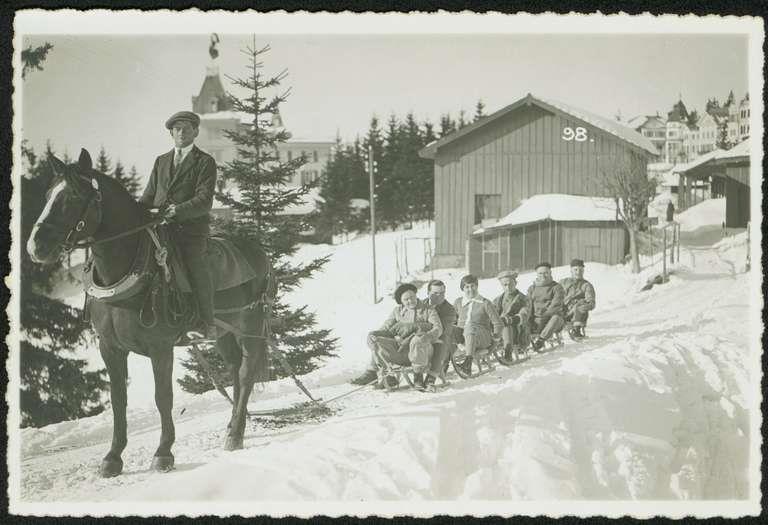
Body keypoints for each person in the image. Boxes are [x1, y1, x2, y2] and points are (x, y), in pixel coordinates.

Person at [140, 111, 217, 339]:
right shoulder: (161, 161)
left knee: (195, 267)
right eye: (177, 129)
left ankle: (206, 323)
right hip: (160, 229)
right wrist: (134, 212)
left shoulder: (205, 162)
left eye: (186, 128)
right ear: (171, 133)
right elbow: (148, 196)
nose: (181, 133)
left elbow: (204, 200)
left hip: (190, 231)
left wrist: (178, 211)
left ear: (196, 132)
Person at [352, 283, 442, 390]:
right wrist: (374, 335)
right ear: (402, 302)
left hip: (423, 351)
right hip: (402, 351)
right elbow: (386, 328)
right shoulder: (398, 311)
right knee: (375, 339)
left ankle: (418, 377)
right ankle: (385, 374)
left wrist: (428, 336)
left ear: (416, 295)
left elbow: (438, 328)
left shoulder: (428, 310)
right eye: (406, 299)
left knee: (417, 340)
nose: (410, 301)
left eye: (412, 297)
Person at [453, 274, 504, 375]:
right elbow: (452, 320)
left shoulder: (485, 303)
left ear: (477, 286)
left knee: (470, 326)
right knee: (450, 328)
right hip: (463, 338)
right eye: (467, 287)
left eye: (473, 286)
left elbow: (498, 324)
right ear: (462, 289)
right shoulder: (458, 302)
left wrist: (493, 345)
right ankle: (443, 364)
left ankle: (468, 363)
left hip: (482, 337)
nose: (470, 289)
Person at [422, 279, 458, 389]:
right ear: (428, 293)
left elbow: (443, 330)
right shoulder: (421, 304)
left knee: (441, 341)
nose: (440, 296)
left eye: (442, 293)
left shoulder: (449, 309)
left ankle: (432, 376)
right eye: (435, 293)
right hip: (422, 336)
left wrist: (423, 331)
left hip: (441, 339)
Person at [522, 262, 565, 352]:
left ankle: (541, 340)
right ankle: (521, 343)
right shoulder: (532, 288)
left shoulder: (557, 287)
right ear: (537, 274)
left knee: (556, 318)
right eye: (540, 273)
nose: (543, 276)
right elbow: (528, 304)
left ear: (550, 273)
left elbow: (556, 304)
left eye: (546, 273)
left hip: (551, 319)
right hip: (536, 319)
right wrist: (527, 316)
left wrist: (544, 315)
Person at [492, 269, 529, 359]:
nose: (507, 287)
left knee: (506, 326)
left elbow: (524, 314)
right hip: (498, 329)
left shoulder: (523, 299)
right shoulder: (498, 300)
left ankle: (508, 352)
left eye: (510, 284)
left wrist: (511, 319)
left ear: (515, 283)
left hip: (517, 330)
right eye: (505, 285)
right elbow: (492, 312)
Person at [559, 258, 596, 341]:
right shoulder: (563, 282)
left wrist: (584, 305)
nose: (578, 272)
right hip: (563, 310)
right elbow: (555, 294)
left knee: (580, 304)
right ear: (571, 271)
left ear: (583, 271)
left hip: (577, 313)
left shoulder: (586, 285)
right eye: (575, 270)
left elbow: (591, 301)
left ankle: (577, 330)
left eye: (580, 270)